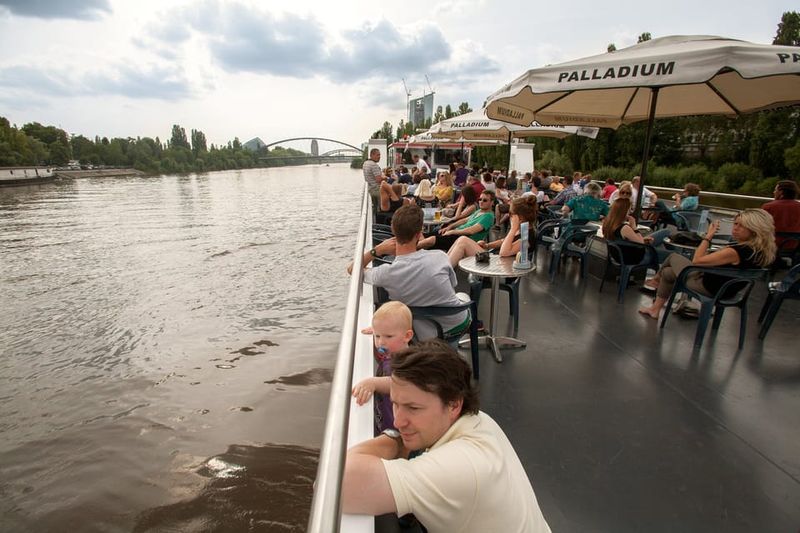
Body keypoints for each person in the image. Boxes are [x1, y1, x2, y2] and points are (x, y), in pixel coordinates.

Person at [342, 340, 551, 532]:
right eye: (395, 404)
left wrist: (394, 440)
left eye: (413, 408)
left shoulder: (456, 468)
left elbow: (338, 482)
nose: (398, 422)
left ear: (453, 404)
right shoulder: (479, 420)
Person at [348, 204, 468, 340]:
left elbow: (352, 269)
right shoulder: (440, 257)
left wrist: (377, 250)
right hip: (457, 326)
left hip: (425, 336)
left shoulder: (386, 274)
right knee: (462, 295)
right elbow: (452, 285)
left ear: (393, 231)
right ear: (419, 234)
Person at [638, 209, 777, 319]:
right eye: (735, 224)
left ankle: (655, 280)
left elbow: (697, 261)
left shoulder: (736, 251)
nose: (735, 228)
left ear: (754, 229)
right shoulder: (759, 251)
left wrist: (708, 237)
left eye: (741, 226)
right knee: (668, 273)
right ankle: (654, 309)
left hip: (709, 287)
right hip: (729, 290)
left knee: (673, 256)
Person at [352, 301, 414, 433]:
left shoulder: (408, 360)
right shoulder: (390, 351)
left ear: (407, 336)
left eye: (388, 336)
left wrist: (373, 383)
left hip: (398, 429)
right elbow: (381, 354)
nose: (381, 342)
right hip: (385, 418)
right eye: (377, 336)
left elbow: (401, 383)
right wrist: (379, 330)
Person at [447, 195, 538, 267]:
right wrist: (487, 245)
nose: (509, 216)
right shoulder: (521, 230)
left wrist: (513, 228)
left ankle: (443, 271)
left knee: (463, 241)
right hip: (496, 262)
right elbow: (503, 241)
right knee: (462, 240)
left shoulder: (526, 238)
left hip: (501, 269)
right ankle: (444, 267)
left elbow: (504, 252)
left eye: (511, 214)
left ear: (519, 218)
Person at [418, 190, 495, 252]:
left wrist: (452, 231)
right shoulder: (479, 211)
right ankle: (418, 251)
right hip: (456, 233)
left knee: (431, 240)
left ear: (492, 202)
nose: (481, 202)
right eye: (480, 199)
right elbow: (464, 220)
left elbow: (471, 231)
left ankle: (412, 251)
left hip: (462, 239)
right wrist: (450, 227)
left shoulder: (488, 216)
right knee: (422, 235)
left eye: (485, 200)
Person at [762, 179, 800, 251]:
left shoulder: (768, 207)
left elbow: (760, 227)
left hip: (772, 246)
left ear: (781, 192)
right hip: (795, 247)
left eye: (775, 190)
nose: (774, 192)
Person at [363, 148, 384, 212]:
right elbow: (379, 180)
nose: (379, 157)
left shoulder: (365, 163)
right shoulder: (374, 165)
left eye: (379, 155)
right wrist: (386, 177)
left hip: (370, 189)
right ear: (372, 155)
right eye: (377, 155)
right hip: (376, 190)